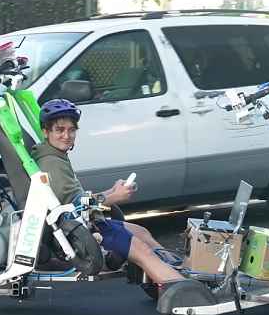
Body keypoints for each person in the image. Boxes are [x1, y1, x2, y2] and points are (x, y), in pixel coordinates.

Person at [31, 98, 184, 284]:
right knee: (142, 251)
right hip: (78, 228)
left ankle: (180, 272)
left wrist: (112, 190)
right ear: (45, 132)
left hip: (86, 221)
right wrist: (112, 197)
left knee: (141, 232)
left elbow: (76, 199)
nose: (67, 135)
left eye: (71, 130)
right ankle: (181, 288)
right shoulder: (51, 163)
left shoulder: (55, 155)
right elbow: (74, 207)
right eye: (59, 130)